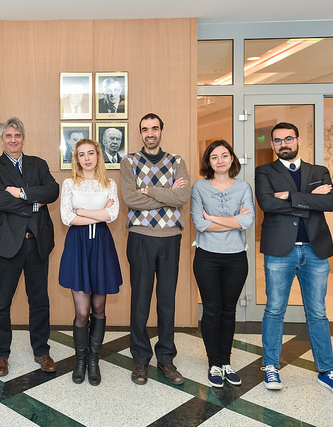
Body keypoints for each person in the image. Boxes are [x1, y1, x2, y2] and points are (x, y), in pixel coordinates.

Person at [256, 122, 333, 399]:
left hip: (315, 250)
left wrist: (289, 196)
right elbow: (267, 204)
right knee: (275, 310)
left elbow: (330, 203)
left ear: (298, 140)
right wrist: (310, 199)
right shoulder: (264, 171)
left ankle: (327, 371)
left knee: (318, 312)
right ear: (272, 145)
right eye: (278, 140)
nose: (283, 144)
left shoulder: (318, 171)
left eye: (288, 138)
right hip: (280, 251)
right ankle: (271, 366)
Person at [0, 117, 59, 377]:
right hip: (5, 244)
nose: (13, 140)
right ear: (2, 139)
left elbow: (52, 191)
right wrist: (35, 203)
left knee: (39, 300)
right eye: (8, 136)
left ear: (23, 138)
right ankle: (1, 355)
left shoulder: (39, 164)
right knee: (1, 302)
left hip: (36, 242)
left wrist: (22, 193)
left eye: (17, 135)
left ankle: (41, 350)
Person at [120, 112, 190, 386]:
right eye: (145, 129)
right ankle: (140, 359)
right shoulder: (129, 162)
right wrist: (167, 193)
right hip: (140, 238)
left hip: (170, 238)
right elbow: (130, 199)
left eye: (154, 128)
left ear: (162, 130)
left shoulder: (177, 161)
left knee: (167, 301)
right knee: (140, 300)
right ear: (140, 133)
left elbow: (183, 196)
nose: (150, 133)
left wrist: (148, 190)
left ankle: (166, 359)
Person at [190, 139, 255, 388]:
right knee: (212, 310)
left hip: (236, 257)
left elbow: (247, 222)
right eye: (214, 156)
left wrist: (213, 217)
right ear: (208, 161)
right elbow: (200, 224)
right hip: (207, 256)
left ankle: (226, 362)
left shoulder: (243, 187)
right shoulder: (199, 187)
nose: (220, 160)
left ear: (232, 158)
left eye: (224, 155)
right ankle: (214, 364)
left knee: (229, 311)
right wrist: (233, 220)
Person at [59, 139, 122, 386]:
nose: (86, 158)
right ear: (76, 159)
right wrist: (98, 214)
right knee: (82, 312)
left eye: (91, 153)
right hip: (78, 246)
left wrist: (81, 212)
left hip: (101, 247)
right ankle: (81, 360)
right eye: (81, 154)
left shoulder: (109, 184)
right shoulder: (69, 183)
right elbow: (66, 217)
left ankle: (94, 360)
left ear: (98, 156)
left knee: (98, 308)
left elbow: (113, 214)